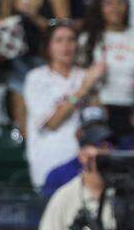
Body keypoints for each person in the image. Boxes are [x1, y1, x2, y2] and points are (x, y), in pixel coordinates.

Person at [23, 23, 105, 190]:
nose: (66, 46)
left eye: (71, 40)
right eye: (59, 40)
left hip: (83, 162)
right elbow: (52, 123)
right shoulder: (37, 78)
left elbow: (99, 117)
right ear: (48, 47)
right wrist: (83, 89)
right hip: (49, 161)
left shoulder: (85, 75)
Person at [79, 0, 134, 139]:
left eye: (120, 2)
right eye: (109, 3)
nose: (115, 8)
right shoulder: (87, 39)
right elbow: (79, 77)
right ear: (100, 7)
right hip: (99, 107)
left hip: (132, 109)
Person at [35, 131, 117, 230]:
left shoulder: (123, 192)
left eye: (109, 145)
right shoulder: (64, 196)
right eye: (100, 146)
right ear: (83, 156)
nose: (106, 152)